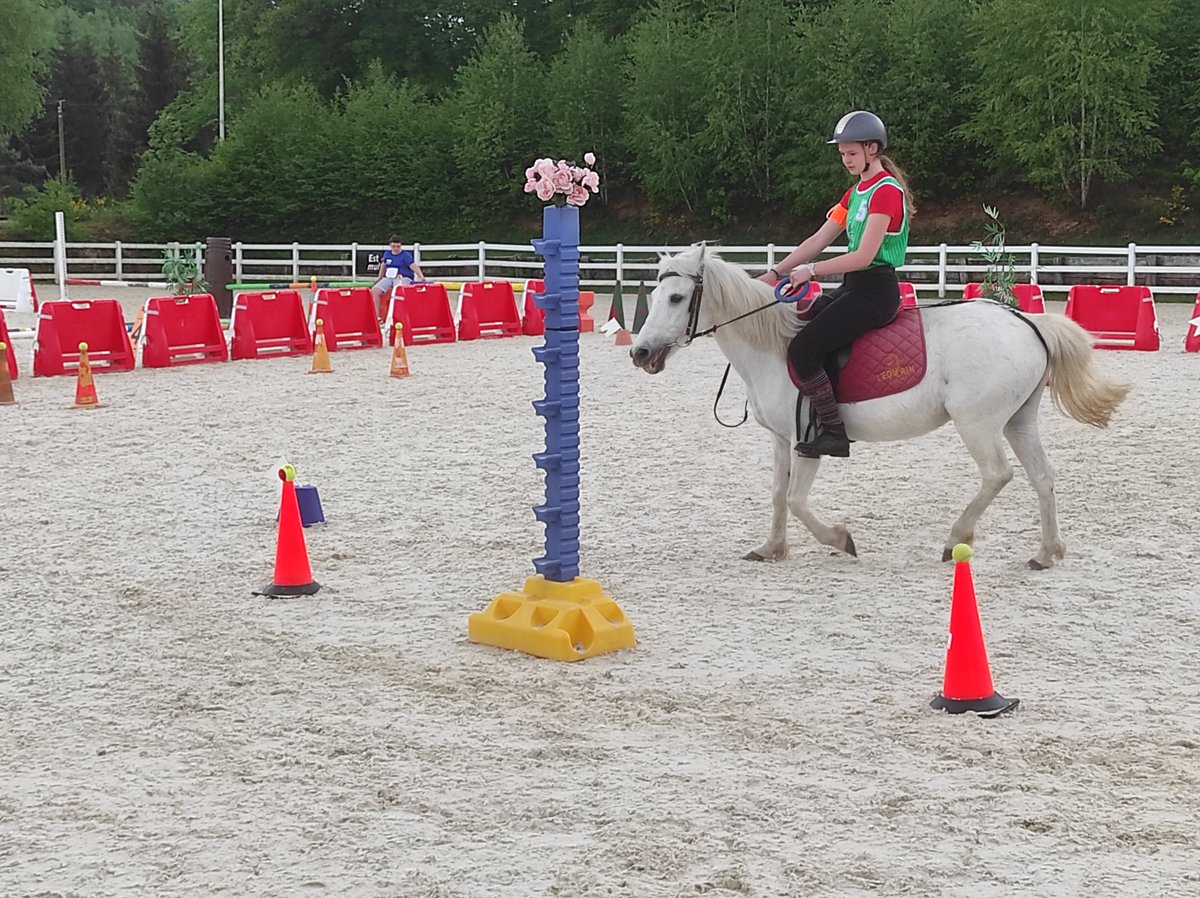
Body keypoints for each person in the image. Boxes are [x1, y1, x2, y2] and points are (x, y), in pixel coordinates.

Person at [760, 110, 913, 459]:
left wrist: (811, 272)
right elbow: (818, 239)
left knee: (802, 349)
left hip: (875, 290)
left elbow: (863, 256)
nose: (846, 160)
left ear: (872, 149)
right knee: (809, 321)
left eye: (852, 153)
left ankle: (834, 430)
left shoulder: (886, 192)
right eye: (843, 154)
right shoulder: (855, 192)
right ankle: (821, 414)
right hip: (855, 286)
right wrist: (776, 273)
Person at [371, 235, 425, 321]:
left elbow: (413, 266)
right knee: (375, 290)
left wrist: (421, 276)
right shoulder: (387, 254)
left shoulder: (405, 255)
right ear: (390, 246)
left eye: (398, 246)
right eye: (393, 246)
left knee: (397, 291)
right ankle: (377, 316)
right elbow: (383, 266)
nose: (396, 248)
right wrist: (379, 277)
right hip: (389, 277)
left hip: (403, 277)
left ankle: (397, 316)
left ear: (401, 246)